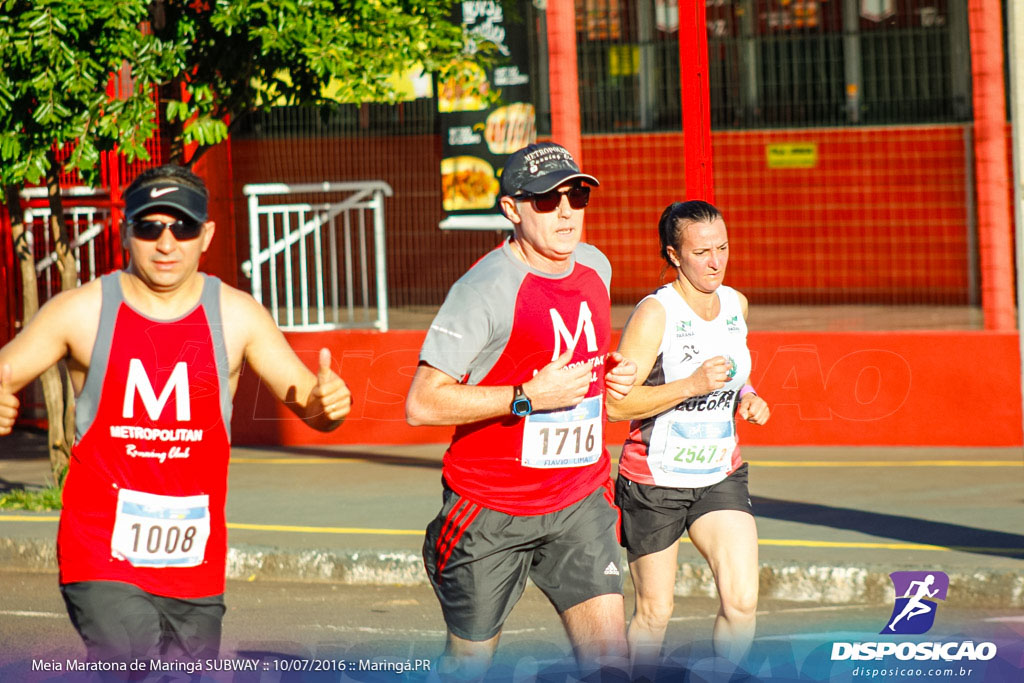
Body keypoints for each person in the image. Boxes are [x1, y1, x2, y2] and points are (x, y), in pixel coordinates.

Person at [0, 164, 352, 667]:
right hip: (101, 549)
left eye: (182, 227)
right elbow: (6, 371)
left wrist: (329, 405)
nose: (167, 244)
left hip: (195, 561)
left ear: (206, 235)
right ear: (126, 232)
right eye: (150, 227)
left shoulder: (237, 315)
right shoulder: (81, 311)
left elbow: (311, 404)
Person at [405, 142, 637, 678]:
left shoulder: (595, 267)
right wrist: (524, 397)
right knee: (469, 664)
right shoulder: (483, 290)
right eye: (545, 199)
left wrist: (614, 370)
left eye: (576, 196)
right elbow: (422, 402)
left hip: (579, 499)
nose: (565, 211)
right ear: (511, 208)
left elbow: (582, 361)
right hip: (491, 508)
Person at [606, 200, 770, 669]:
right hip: (655, 481)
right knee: (656, 613)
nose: (716, 261)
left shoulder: (736, 305)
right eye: (702, 252)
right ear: (674, 255)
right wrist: (691, 385)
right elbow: (618, 404)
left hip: (719, 474)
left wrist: (748, 398)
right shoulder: (656, 314)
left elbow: (737, 375)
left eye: (723, 248)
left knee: (741, 603)